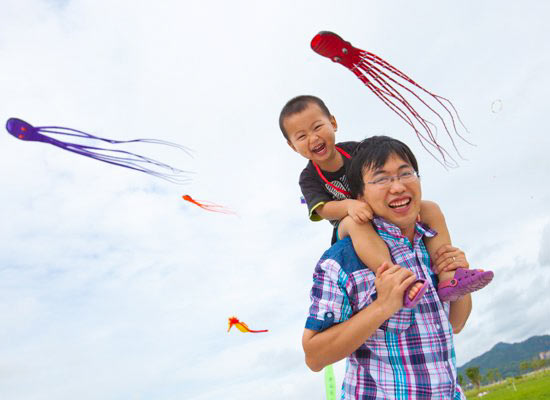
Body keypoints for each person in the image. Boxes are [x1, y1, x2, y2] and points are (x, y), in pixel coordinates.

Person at [302, 135, 490, 399]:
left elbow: (456, 324)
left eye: (406, 174)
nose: (398, 186)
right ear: (360, 196)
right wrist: (382, 306)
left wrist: (455, 277)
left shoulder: (429, 243)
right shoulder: (342, 260)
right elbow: (314, 356)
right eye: (381, 179)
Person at [279, 95, 492, 304]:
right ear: (292, 146)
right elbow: (322, 208)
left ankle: (450, 275)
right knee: (355, 222)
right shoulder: (308, 177)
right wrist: (349, 205)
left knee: (430, 208)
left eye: (317, 127)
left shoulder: (356, 150)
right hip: (347, 225)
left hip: (381, 210)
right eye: (301, 136)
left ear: (333, 123)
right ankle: (398, 278)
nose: (313, 138)